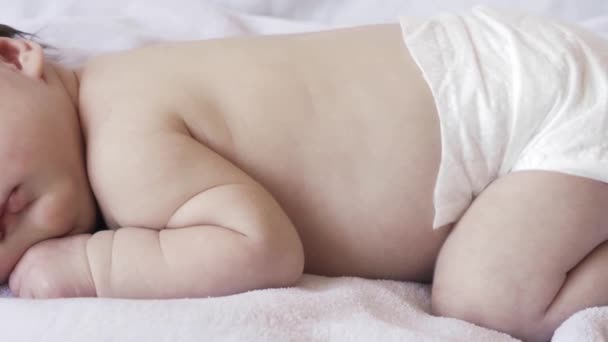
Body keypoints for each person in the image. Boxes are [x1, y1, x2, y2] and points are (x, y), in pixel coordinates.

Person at [1, 6, 606, 341]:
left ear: (14, 59)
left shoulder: (121, 145)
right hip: (506, 68)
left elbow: (259, 249)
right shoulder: (123, 83)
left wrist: (87, 268)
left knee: (489, 301)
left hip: (535, 114)